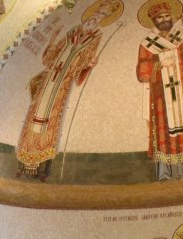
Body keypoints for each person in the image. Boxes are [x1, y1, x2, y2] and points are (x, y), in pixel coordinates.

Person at [15, 1, 117, 177]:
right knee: (34, 119)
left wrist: (89, 66)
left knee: (51, 123)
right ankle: (24, 165)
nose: (95, 19)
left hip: (62, 87)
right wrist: (53, 40)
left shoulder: (94, 39)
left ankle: (42, 168)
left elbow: (84, 65)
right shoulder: (71, 33)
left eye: (101, 17)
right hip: (48, 81)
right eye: (95, 14)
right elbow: (48, 59)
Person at [135, 0, 183, 180]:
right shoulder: (147, 43)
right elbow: (141, 69)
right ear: (154, 20)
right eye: (160, 17)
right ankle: (166, 173)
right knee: (164, 134)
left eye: (167, 16)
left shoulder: (180, 37)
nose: (165, 19)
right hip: (161, 98)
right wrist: (159, 64)